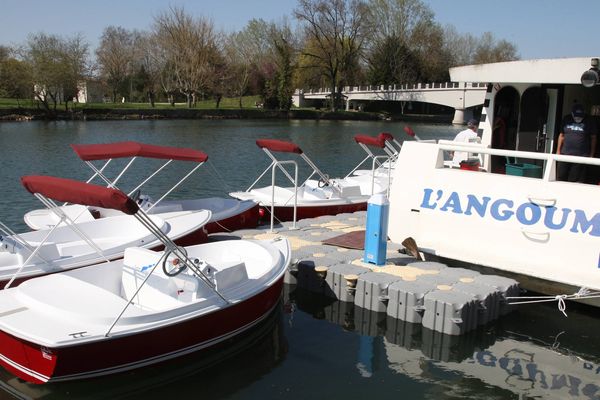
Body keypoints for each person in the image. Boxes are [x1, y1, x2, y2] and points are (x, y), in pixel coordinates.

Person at [556, 103, 597, 182]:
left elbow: (593, 138)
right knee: (561, 177)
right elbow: (561, 135)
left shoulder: (589, 121)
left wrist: (591, 154)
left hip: (581, 156)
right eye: (576, 115)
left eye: (580, 115)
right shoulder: (566, 119)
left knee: (575, 179)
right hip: (565, 154)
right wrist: (558, 151)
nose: (578, 118)